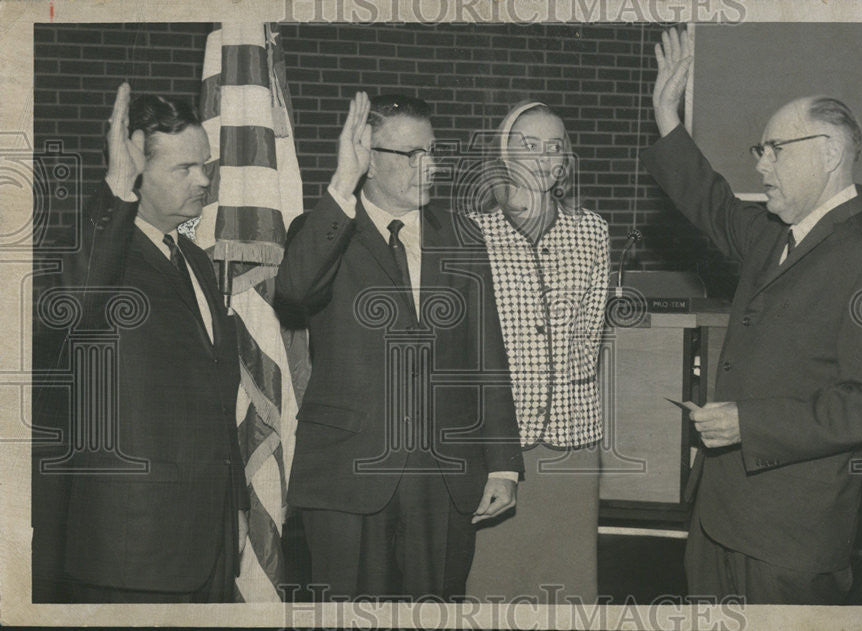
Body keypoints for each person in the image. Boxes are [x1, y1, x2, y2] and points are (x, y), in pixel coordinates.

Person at [640, 29, 862, 604]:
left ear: (828, 154)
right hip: (719, 517)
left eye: (776, 149)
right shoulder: (777, 238)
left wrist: (752, 424)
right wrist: (667, 118)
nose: (761, 164)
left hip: (788, 540)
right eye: (760, 150)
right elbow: (712, 204)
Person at [276, 92, 524, 600]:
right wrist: (342, 184)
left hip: (442, 477)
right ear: (368, 156)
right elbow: (294, 289)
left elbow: (486, 355)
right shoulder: (320, 229)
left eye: (431, 151)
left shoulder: (462, 236)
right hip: (346, 475)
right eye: (410, 155)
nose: (427, 166)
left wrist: (503, 463)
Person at [33, 83, 249, 602]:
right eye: (183, 169)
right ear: (136, 168)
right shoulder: (95, 253)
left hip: (209, 545)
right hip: (130, 551)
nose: (203, 181)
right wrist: (115, 185)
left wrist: (236, 503)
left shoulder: (196, 261)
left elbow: (218, 397)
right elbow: (66, 311)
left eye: (205, 165)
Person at [462, 101, 609, 604]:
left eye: (554, 146)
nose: (543, 157)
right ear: (504, 152)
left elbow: (591, 331)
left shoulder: (592, 230)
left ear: (566, 159)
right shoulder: (473, 231)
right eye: (528, 144)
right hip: (499, 441)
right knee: (492, 580)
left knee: (567, 581)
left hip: (573, 437)